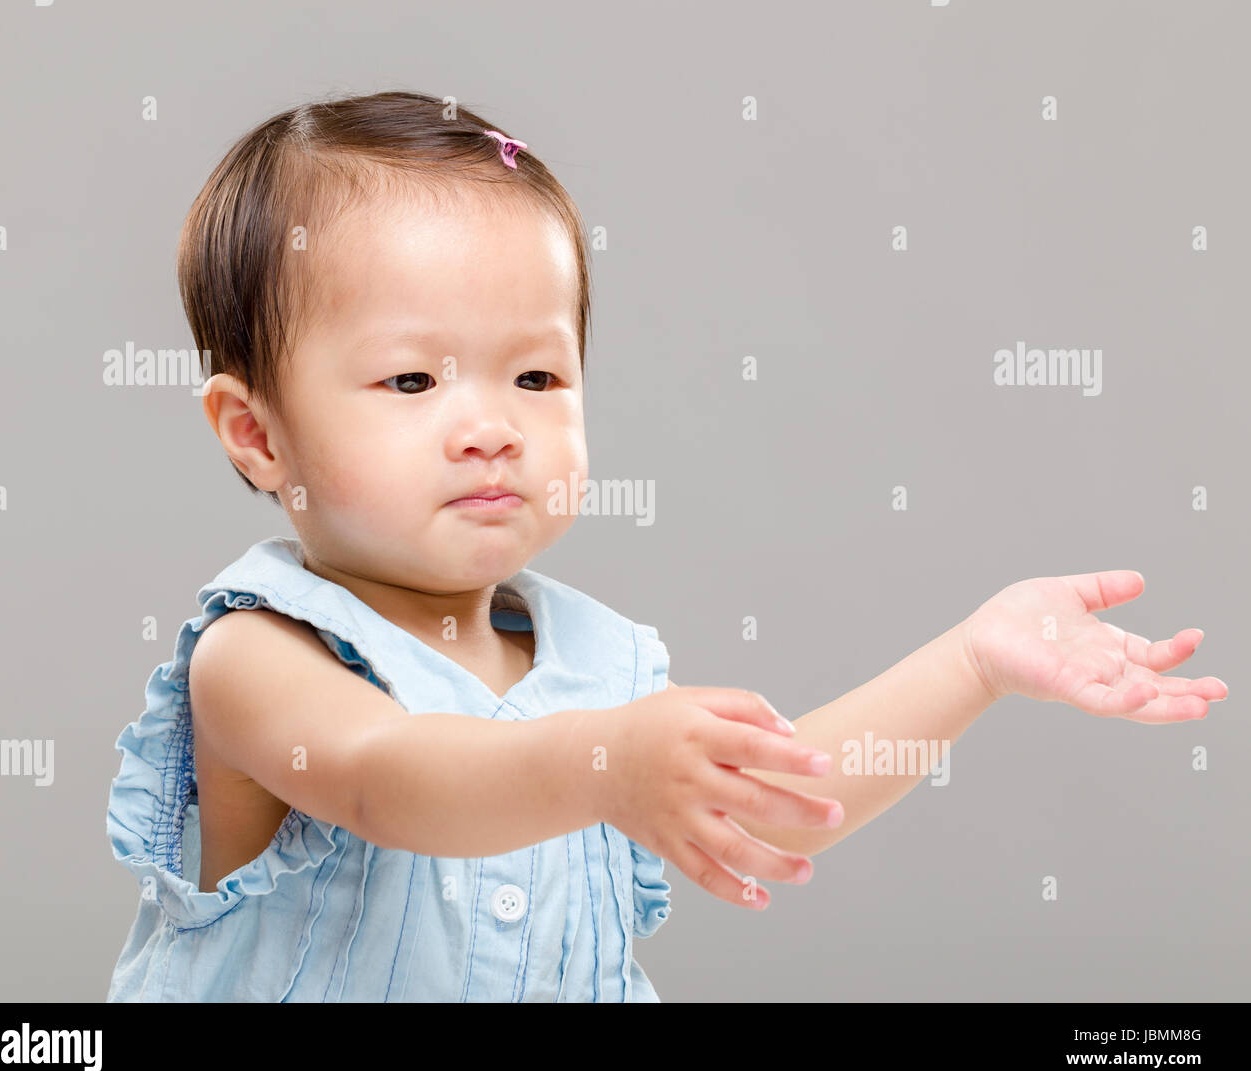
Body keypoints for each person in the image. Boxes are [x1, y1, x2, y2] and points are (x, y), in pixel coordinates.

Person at [105, 90, 1228, 1002]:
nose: (492, 423)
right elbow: (389, 779)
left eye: (537, 376)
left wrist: (973, 660)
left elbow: (773, 795)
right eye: (411, 379)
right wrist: (611, 760)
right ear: (256, 434)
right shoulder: (255, 657)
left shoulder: (600, 661)